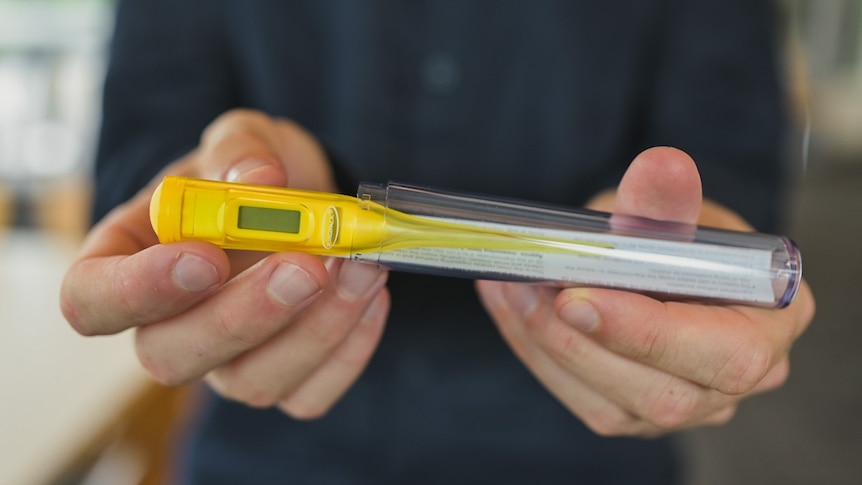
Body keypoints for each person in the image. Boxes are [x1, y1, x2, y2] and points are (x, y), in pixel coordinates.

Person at [61, 1, 815, 484]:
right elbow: (140, 173)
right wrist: (253, 199)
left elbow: (732, 169)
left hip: (583, 453)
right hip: (268, 454)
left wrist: (685, 255)